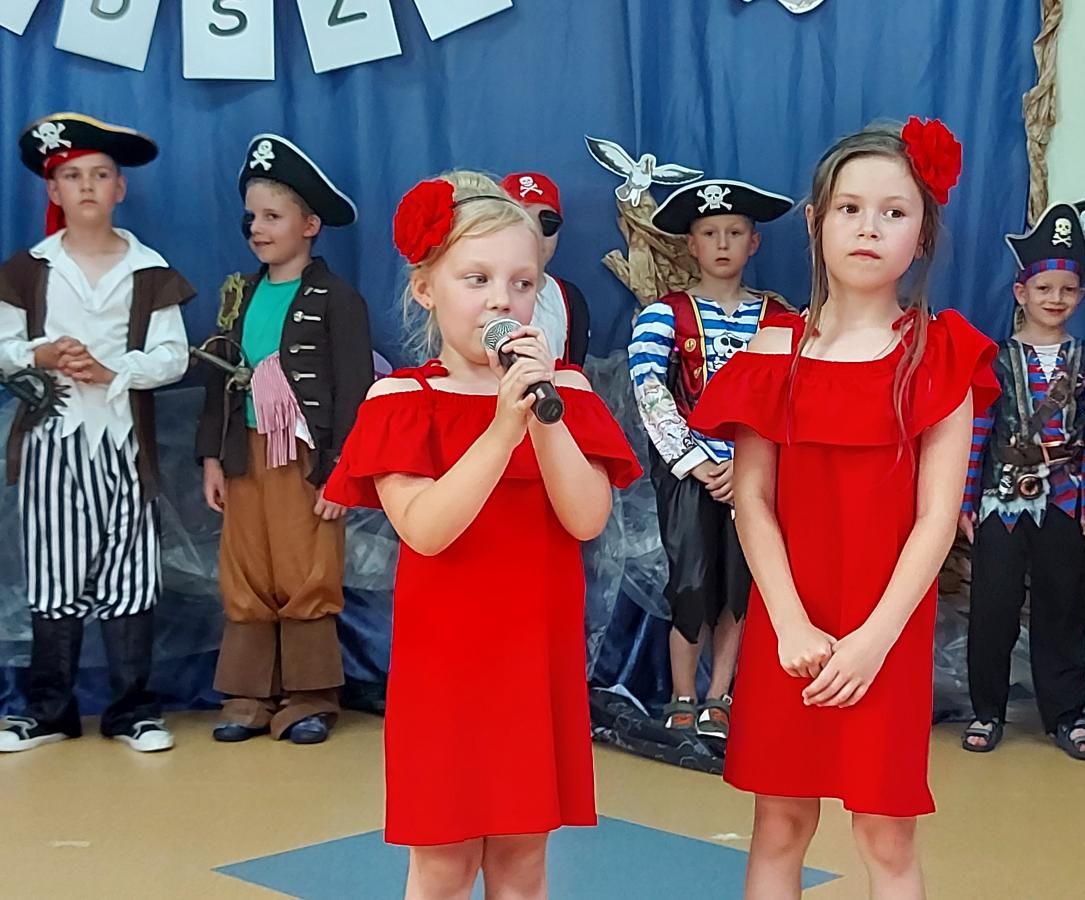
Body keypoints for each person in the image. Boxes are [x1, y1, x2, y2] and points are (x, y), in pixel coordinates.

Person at [689, 119, 998, 899]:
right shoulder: (772, 351)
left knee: (885, 834)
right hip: (790, 628)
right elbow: (752, 500)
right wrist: (790, 624)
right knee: (779, 825)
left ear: (922, 234)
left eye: (894, 212)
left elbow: (937, 518)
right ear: (816, 222)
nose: (869, 227)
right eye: (850, 208)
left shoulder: (942, 352)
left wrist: (874, 640)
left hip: (885, 634)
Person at [323, 171, 641, 899]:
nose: (502, 299)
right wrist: (500, 431)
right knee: (443, 861)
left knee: (524, 859)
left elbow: (586, 517)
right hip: (448, 671)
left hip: (535, 659)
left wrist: (540, 414)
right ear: (426, 288)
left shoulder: (567, 393)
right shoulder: (402, 399)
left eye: (522, 283)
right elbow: (426, 530)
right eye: (477, 278)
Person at [0, 113, 193, 753]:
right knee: (53, 571)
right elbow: (2, 348)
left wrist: (114, 370)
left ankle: (132, 710)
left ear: (120, 189)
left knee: (129, 572)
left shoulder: (148, 270)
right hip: (52, 442)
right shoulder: (28, 270)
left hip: (122, 443)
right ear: (53, 190)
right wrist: (40, 354)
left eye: (101, 174)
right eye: (73, 175)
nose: (87, 185)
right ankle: (49, 710)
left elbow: (173, 355)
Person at [194, 134, 373, 744]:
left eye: (273, 216)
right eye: (252, 217)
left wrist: (342, 471)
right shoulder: (239, 296)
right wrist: (212, 457)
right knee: (245, 569)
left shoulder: (337, 300)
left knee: (306, 570)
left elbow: (354, 392)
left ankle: (309, 696)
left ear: (310, 225)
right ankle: (248, 694)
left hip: (304, 458)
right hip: (244, 455)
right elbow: (218, 378)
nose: (258, 228)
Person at [628, 178, 793, 740]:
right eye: (710, 233)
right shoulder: (663, 314)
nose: (723, 243)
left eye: (735, 232)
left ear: (754, 242)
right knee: (692, 584)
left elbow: (791, 395)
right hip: (692, 474)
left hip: (755, 472)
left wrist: (750, 465)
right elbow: (649, 389)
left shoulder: (779, 318)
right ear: (691, 244)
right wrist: (696, 461)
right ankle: (682, 694)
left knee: (742, 583)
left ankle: (720, 695)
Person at [958, 203, 1085, 760]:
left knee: (1063, 609)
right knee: (993, 610)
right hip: (999, 501)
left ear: (1080, 297)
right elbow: (977, 430)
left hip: (1067, 502)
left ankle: (1067, 715)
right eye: (1044, 288)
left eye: (1068, 290)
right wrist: (963, 500)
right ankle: (987, 710)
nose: (1056, 298)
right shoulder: (994, 359)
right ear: (1021, 293)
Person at [500, 171, 590, 365]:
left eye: (547, 223)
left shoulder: (569, 298)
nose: (536, 235)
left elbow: (574, 369)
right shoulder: (477, 295)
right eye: (522, 221)